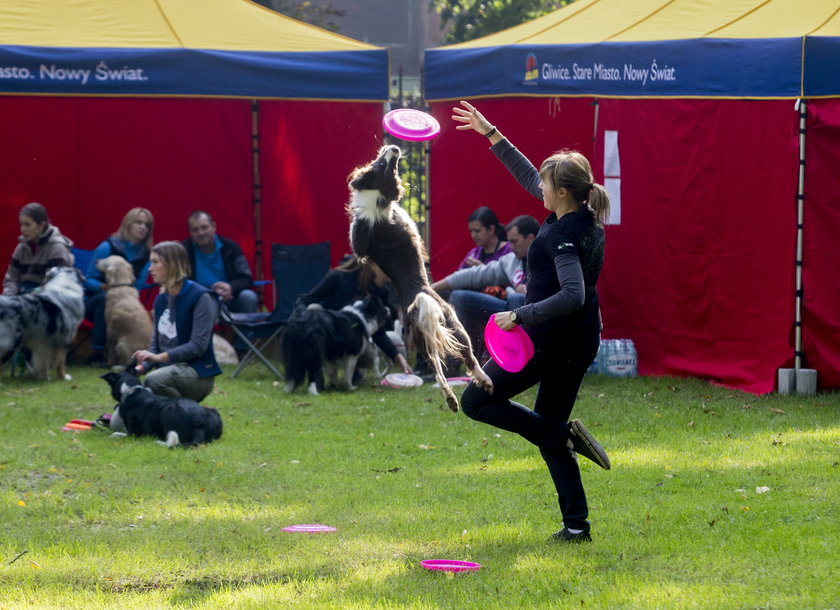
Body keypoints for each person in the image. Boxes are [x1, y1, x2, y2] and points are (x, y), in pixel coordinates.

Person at [452, 100, 612, 543]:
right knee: (544, 428)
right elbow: (528, 175)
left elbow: (573, 294)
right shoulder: (584, 218)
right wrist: (492, 134)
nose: (537, 186)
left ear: (561, 191)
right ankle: (577, 527)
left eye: (545, 182)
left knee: (475, 402)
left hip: (547, 346)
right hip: (578, 345)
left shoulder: (562, 235)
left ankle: (559, 435)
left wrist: (518, 314)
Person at [431, 214, 540, 357]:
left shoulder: (550, 258)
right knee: (459, 296)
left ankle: (512, 357)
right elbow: (474, 274)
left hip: (538, 313)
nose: (511, 247)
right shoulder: (510, 260)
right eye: (509, 242)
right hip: (510, 311)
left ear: (530, 238)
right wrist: (432, 288)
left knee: (516, 299)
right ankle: (458, 360)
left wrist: (532, 292)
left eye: (514, 242)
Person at [133, 241, 220, 402]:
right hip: (164, 371)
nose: (150, 268)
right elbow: (155, 347)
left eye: (155, 262)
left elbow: (198, 346)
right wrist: (139, 368)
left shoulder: (201, 297)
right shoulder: (160, 299)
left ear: (172, 264)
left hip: (196, 372)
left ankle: (187, 415)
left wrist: (159, 358)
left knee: (154, 380)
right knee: (119, 422)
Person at [300, 255, 413, 376]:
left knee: (364, 352)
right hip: (328, 338)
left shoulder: (381, 291)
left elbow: (378, 332)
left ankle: (353, 372)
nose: (390, 280)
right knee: (313, 308)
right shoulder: (338, 277)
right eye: (388, 275)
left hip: (354, 343)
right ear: (374, 266)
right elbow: (305, 301)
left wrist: (397, 356)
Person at [83, 207, 154, 366]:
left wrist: (123, 294)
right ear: (128, 224)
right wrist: (106, 288)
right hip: (94, 301)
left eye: (147, 224)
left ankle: (135, 352)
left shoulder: (146, 254)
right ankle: (97, 352)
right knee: (106, 299)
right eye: (138, 222)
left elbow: (138, 285)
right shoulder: (107, 246)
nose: (142, 227)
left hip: (123, 300)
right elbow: (88, 280)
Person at [182, 211, 257, 315]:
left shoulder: (231, 247)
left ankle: (247, 331)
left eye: (204, 227)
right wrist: (211, 290)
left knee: (249, 296)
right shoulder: (183, 250)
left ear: (214, 226)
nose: (201, 233)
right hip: (199, 298)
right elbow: (181, 281)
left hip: (230, 297)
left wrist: (230, 287)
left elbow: (246, 279)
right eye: (195, 230)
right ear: (190, 232)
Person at [3, 202, 74, 296]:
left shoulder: (57, 248)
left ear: (41, 225)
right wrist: (9, 298)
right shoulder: (21, 247)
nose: (22, 229)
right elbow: (11, 279)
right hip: (22, 298)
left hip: (46, 301)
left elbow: (54, 286)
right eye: (21, 224)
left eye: (27, 225)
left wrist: (28, 297)